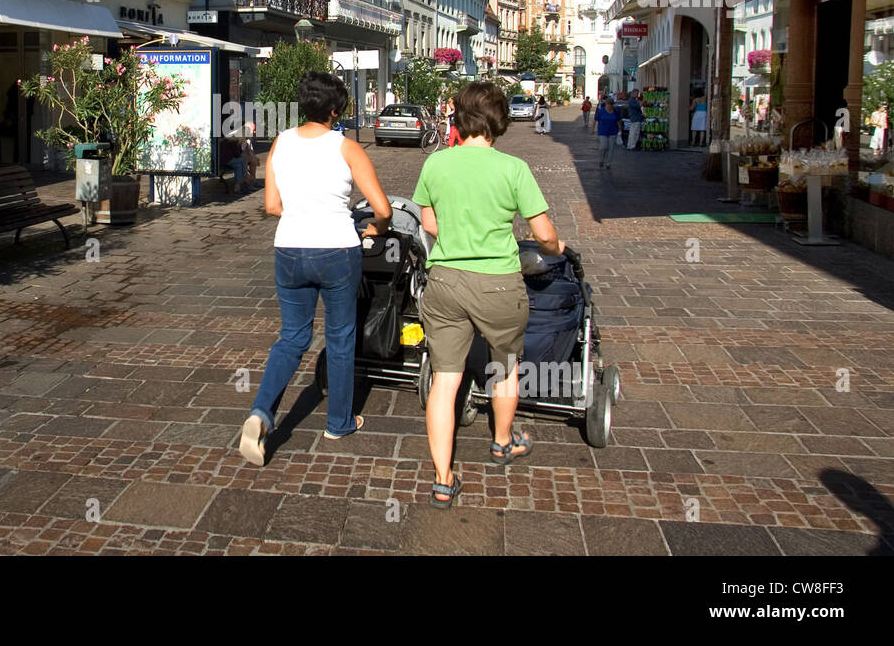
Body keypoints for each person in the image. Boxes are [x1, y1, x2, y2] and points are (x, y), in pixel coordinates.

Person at [413, 81, 565, 507]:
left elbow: (429, 224)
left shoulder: (436, 165)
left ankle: (443, 478)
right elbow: (545, 235)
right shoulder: (513, 168)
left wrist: (460, 236)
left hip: (445, 281)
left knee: (445, 379)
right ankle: (502, 442)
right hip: (499, 282)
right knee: (505, 365)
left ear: (459, 119)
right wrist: (555, 249)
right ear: (498, 121)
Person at [239, 72, 392, 466]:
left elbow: (271, 205)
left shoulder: (281, 143)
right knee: (340, 337)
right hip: (337, 250)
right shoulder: (347, 148)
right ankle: (339, 421)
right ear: (335, 110)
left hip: (289, 248)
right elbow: (383, 209)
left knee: (291, 337)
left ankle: (260, 413)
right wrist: (375, 228)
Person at [595, 96, 622, 169]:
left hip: (613, 131)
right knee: (603, 146)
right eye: (608, 104)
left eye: (611, 104)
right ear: (606, 104)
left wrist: (620, 129)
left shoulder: (616, 111)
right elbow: (596, 119)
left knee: (611, 148)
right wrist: (592, 129)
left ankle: (608, 164)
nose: (609, 106)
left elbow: (619, 120)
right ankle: (601, 160)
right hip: (602, 131)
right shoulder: (601, 111)